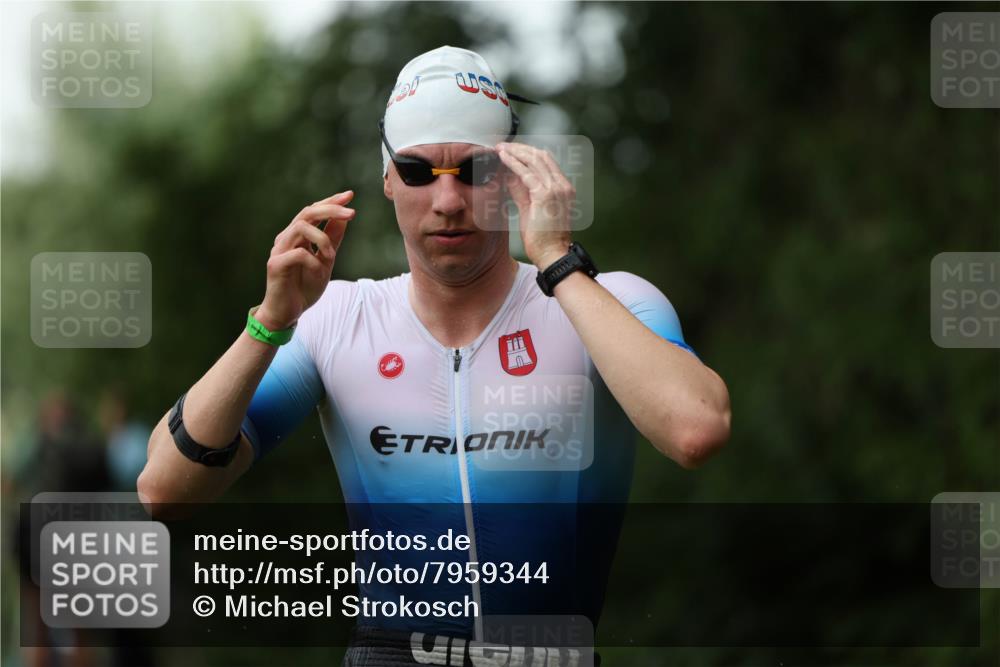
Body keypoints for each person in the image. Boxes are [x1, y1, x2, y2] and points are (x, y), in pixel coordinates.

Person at [139, 46, 731, 665]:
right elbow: (164, 491)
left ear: (513, 175)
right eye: (420, 172)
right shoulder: (336, 320)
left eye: (475, 170)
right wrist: (269, 322)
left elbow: (696, 430)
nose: (448, 203)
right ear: (388, 178)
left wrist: (560, 263)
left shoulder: (606, 304)